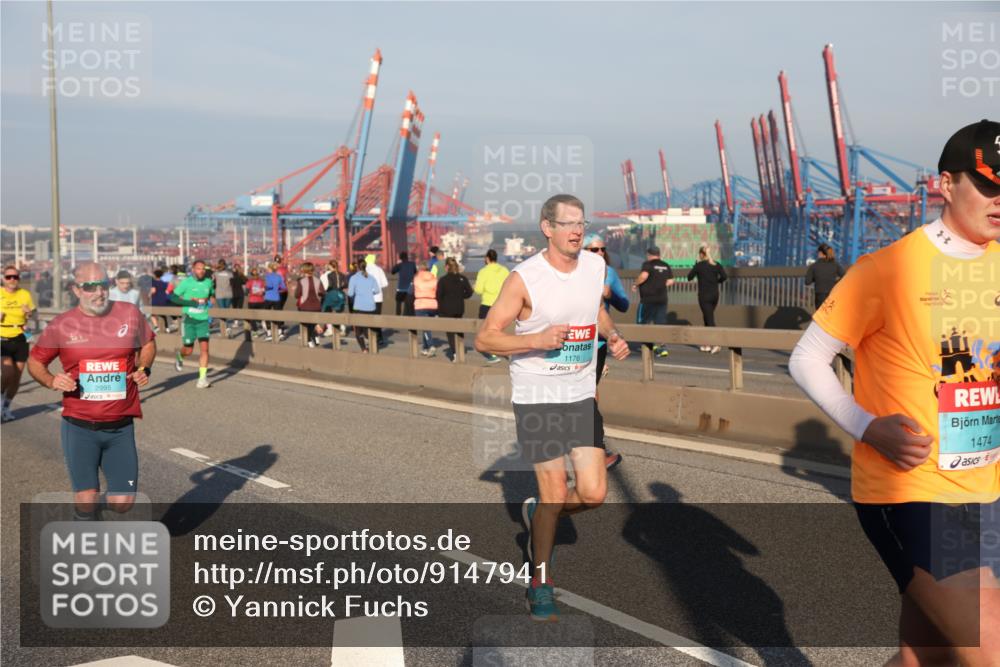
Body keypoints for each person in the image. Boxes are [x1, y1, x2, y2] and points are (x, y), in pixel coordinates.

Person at [789, 119, 1000, 665]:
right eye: (990, 185)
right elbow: (807, 357)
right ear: (945, 184)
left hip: (986, 489)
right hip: (911, 490)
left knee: (924, 658)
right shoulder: (888, 268)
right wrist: (867, 426)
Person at [475, 194, 630, 622]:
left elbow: (594, 309)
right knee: (556, 493)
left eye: (581, 223)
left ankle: (537, 512)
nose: (577, 231)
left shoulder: (596, 267)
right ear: (547, 228)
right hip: (538, 397)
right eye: (567, 224)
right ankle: (540, 580)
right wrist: (535, 340)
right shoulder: (525, 279)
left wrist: (613, 335)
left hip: (580, 394)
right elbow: (486, 338)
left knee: (595, 493)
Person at [27, 262, 155, 519]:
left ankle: (95, 508)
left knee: (124, 503)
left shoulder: (129, 314)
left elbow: (148, 342)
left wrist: (144, 368)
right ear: (76, 290)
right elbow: (35, 362)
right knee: (86, 500)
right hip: (79, 427)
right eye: (89, 287)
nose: (99, 292)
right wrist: (51, 380)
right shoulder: (62, 325)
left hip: (120, 428)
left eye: (103, 285)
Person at [583, 234, 630, 470]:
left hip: (599, 343)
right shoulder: (574, 272)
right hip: (574, 342)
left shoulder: (609, 273)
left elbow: (624, 304)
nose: (599, 253)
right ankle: (591, 449)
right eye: (593, 250)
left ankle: (591, 448)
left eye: (602, 249)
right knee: (585, 394)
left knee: (591, 393)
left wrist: (611, 295)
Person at [170, 259, 216, 388]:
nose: (201, 271)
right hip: (189, 319)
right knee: (188, 350)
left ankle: (202, 379)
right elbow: (173, 298)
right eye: (198, 268)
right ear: (193, 270)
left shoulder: (208, 282)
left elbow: (212, 295)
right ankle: (180, 355)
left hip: (203, 320)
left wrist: (211, 301)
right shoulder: (186, 283)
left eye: (203, 269)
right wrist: (191, 303)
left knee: (205, 348)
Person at [1, 265, 35, 422]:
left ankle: (6, 407)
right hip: (3, 337)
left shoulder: (25, 294)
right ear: (3, 279)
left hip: (21, 337)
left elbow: (32, 314)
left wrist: (29, 312)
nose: (12, 279)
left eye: (15, 277)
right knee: (8, 373)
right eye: (9, 277)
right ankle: (0, 399)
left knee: (17, 377)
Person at [632, 246, 674, 357]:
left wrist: (635, 284)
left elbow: (644, 276)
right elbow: (670, 281)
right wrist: (659, 285)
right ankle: (662, 347)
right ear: (659, 254)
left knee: (642, 322)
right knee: (660, 323)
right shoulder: (665, 265)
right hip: (662, 299)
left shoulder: (648, 264)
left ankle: (647, 345)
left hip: (648, 300)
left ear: (649, 254)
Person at [687, 245, 728, 353]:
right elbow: (724, 277)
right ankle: (707, 344)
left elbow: (689, 277)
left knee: (709, 320)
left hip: (704, 296)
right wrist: (716, 282)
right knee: (707, 317)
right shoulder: (716, 264)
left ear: (701, 254)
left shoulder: (699, 266)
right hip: (715, 295)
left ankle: (716, 343)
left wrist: (695, 267)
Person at [473, 249, 509, 364]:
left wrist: (475, 286)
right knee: (500, 331)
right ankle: (506, 352)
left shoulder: (483, 271)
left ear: (487, 258)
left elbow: (478, 290)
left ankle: (492, 355)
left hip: (487, 305)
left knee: (483, 332)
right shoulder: (504, 270)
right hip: (501, 305)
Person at [436, 258, 473, 362]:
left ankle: (455, 353)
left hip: (446, 310)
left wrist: (439, 310)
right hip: (459, 308)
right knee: (459, 330)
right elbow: (469, 293)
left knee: (450, 332)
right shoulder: (462, 278)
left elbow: (438, 296)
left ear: (447, 267)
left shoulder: (443, 280)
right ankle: (460, 351)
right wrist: (461, 296)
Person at [347, 259, 379, 353]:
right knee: (368, 329)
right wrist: (369, 293)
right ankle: (373, 344)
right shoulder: (371, 277)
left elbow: (350, 293)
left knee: (358, 331)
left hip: (359, 307)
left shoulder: (354, 278)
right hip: (371, 306)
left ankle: (364, 349)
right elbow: (377, 290)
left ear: (357, 267)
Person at [804, 242, 845, 311]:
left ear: (821, 253)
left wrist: (816, 278)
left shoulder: (814, 266)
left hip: (819, 295)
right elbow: (844, 276)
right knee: (830, 315)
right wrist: (835, 282)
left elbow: (807, 282)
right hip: (832, 294)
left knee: (820, 316)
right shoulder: (836, 265)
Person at [294, 261, 325, 347]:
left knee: (305, 326)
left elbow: (296, 295)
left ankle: (309, 342)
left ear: (304, 270)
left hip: (305, 307)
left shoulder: (302, 281)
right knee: (312, 324)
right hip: (316, 306)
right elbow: (323, 293)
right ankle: (315, 336)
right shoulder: (317, 280)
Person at [412, 261, 438, 356]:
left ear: (419, 268)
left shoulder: (416, 278)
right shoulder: (433, 277)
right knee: (426, 327)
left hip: (420, 304)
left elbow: (410, 291)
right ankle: (425, 348)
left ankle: (431, 345)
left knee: (424, 327)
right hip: (432, 304)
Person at [320, 259, 348, 336]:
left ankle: (329, 329)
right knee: (339, 312)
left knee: (326, 311)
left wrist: (327, 291)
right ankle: (342, 329)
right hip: (341, 294)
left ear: (330, 266)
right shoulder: (342, 274)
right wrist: (340, 288)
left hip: (331, 294)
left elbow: (330, 285)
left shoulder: (328, 275)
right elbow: (346, 284)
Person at [263, 262, 287, 341]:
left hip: (268, 298)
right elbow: (283, 287)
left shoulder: (268, 276)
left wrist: (264, 288)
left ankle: (269, 333)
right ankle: (280, 332)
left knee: (266, 315)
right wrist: (277, 290)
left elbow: (269, 286)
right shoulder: (279, 276)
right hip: (277, 298)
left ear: (269, 269)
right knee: (278, 315)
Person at [391, 251, 417, 316]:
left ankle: (398, 317)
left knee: (398, 303)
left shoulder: (400, 265)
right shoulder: (412, 264)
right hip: (410, 289)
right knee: (409, 305)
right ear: (407, 257)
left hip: (401, 289)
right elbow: (415, 272)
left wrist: (397, 264)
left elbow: (392, 272)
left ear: (400, 258)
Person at [213, 259, 235, 337]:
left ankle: (226, 329)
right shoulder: (230, 274)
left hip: (219, 294)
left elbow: (212, 282)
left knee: (222, 312)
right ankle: (227, 328)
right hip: (229, 294)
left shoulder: (215, 273)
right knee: (226, 311)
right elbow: (233, 284)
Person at [245, 267, 267, 337]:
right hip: (261, 301)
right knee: (262, 315)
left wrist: (250, 293)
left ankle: (255, 331)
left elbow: (246, 292)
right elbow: (264, 292)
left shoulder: (249, 282)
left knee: (252, 317)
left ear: (251, 275)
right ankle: (265, 327)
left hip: (252, 301)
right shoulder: (262, 282)